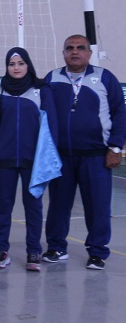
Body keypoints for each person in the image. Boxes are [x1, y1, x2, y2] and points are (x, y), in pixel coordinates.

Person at [43, 34, 125, 270]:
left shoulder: (104, 78)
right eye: (70, 48)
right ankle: (56, 247)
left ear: (89, 53)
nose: (75, 52)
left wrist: (116, 146)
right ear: (63, 53)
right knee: (58, 204)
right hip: (61, 156)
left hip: (95, 156)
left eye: (81, 48)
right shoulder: (52, 78)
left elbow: (120, 112)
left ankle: (97, 252)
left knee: (98, 206)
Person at [0, 48, 58, 271]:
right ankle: (0, 248)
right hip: (5, 159)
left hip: (33, 160)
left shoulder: (41, 90)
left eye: (20, 63)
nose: (16, 68)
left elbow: (51, 126)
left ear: (28, 65)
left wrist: (46, 158)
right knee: (4, 205)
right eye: (11, 64)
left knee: (33, 206)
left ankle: (34, 251)